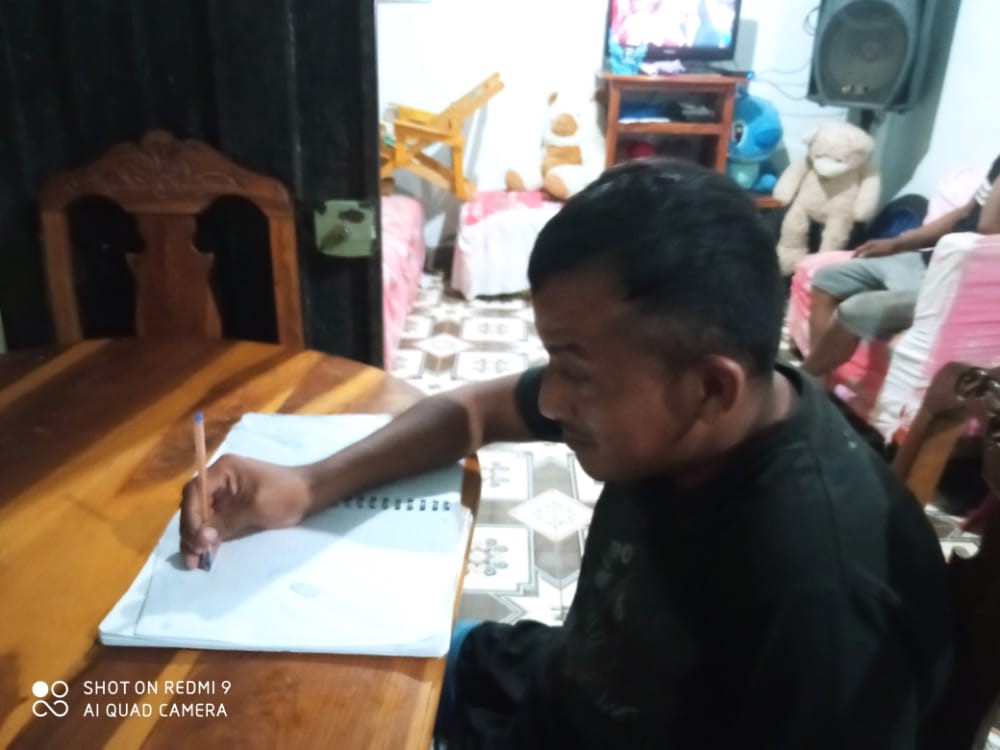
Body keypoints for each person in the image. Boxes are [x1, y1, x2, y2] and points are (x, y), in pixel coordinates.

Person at [180, 159, 955, 748]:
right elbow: (474, 410)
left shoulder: (824, 606)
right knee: (272, 673)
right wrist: (308, 485)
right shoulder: (706, 404)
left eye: (575, 372)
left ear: (709, 389)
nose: (550, 401)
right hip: (553, 684)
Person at [803, 154, 1000, 380]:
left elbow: (988, 228)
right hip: (933, 261)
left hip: (961, 284)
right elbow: (964, 213)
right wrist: (897, 244)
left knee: (854, 310)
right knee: (827, 279)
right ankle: (818, 380)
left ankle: (803, 380)